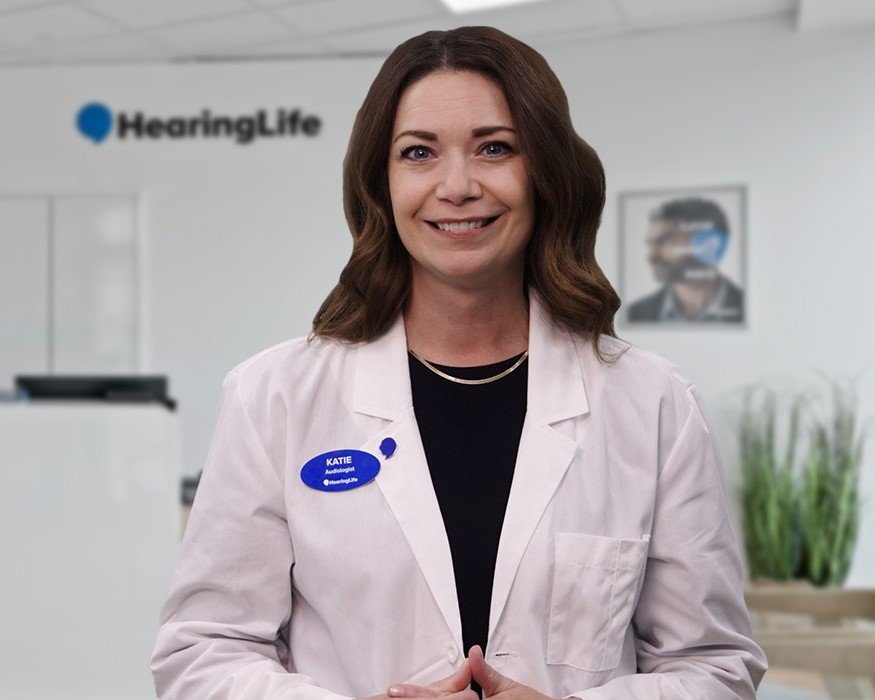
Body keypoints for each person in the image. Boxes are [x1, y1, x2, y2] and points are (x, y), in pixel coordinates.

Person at [151, 26, 767, 700]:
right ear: (379, 184)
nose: (457, 185)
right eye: (418, 153)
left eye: (494, 148)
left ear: (545, 173)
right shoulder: (273, 397)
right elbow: (203, 652)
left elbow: (714, 666)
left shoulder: (651, 402)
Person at [627, 198, 745, 324]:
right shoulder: (636, 313)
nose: (651, 257)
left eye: (665, 240)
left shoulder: (749, 308)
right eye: (651, 244)